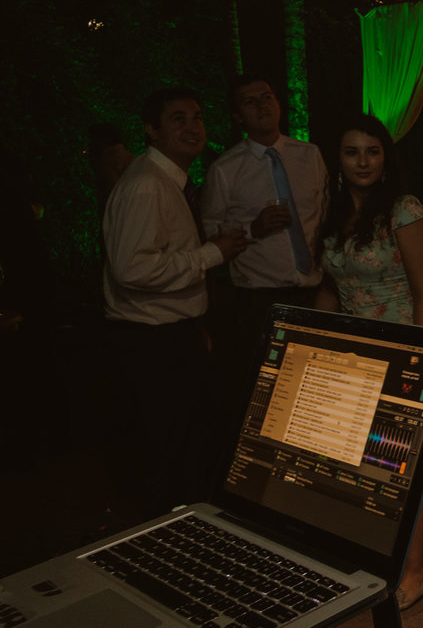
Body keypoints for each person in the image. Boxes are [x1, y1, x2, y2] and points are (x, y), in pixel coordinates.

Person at [313, 113, 423, 609]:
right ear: (338, 160)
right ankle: (372, 556)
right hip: (353, 355)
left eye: (372, 151)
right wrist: (317, 344)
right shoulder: (333, 212)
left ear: (386, 159)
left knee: (400, 467)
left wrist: (422, 361)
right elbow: (331, 287)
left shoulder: (404, 210)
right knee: (356, 462)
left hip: (402, 348)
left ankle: (417, 570)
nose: (363, 161)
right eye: (352, 152)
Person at [102, 87, 247, 517]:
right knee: (169, 458)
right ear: (152, 130)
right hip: (152, 345)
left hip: (170, 335)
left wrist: (191, 321)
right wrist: (212, 253)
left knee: (188, 448)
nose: (192, 127)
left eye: (197, 117)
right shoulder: (147, 185)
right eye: (178, 119)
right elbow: (132, 269)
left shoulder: (167, 181)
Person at [200, 75, 327, 397]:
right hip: (258, 301)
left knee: (314, 387)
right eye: (250, 102)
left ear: (278, 104)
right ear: (237, 116)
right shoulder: (225, 169)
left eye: (267, 97)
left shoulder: (309, 154)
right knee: (265, 392)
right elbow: (209, 235)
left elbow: (326, 215)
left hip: (314, 293)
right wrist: (252, 229)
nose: (261, 106)